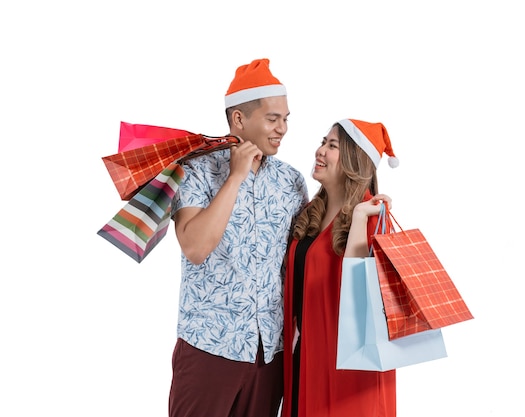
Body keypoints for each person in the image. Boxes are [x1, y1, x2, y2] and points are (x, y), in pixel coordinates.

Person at [168, 58, 309, 417]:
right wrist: (235, 177)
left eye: (286, 119)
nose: (283, 129)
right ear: (239, 120)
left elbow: (303, 257)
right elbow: (195, 247)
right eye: (273, 118)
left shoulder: (291, 182)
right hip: (209, 349)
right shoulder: (196, 170)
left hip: (270, 352)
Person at [281, 119, 399, 417]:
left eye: (332, 146)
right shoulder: (310, 213)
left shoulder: (372, 214)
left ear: (353, 161)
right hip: (307, 358)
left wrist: (359, 219)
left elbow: (358, 295)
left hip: (350, 371)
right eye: (323, 142)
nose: (320, 151)